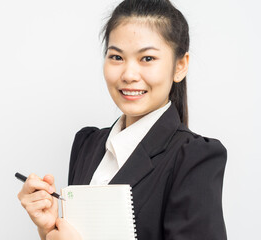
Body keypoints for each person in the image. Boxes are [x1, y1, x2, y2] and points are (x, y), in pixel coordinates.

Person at [17, 0, 228, 239]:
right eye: (116, 57)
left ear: (180, 66)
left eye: (147, 58)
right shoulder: (87, 144)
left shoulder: (193, 157)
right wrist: (48, 228)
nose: (128, 75)